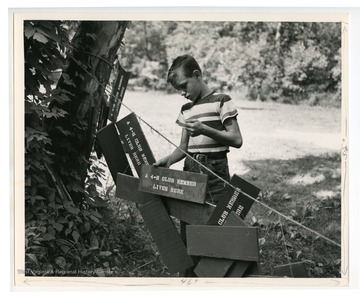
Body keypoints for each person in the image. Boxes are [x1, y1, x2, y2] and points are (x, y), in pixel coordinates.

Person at [154, 54, 243, 204]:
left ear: (197, 75)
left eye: (183, 86)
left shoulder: (221, 101)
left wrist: (204, 129)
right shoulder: (186, 109)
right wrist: (168, 160)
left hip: (215, 173)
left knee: (213, 216)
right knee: (189, 214)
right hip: (190, 170)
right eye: (178, 89)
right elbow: (184, 147)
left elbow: (236, 139)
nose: (182, 93)